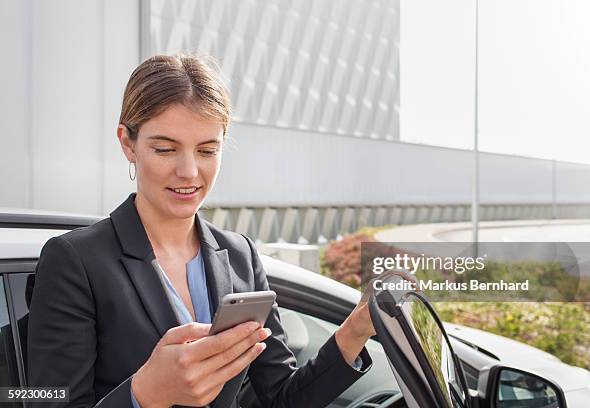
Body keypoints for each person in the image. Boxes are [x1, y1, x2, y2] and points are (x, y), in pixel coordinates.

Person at [27, 54, 375, 408]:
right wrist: (143, 395)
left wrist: (354, 332)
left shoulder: (240, 255)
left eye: (208, 150)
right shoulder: (76, 261)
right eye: (165, 149)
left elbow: (281, 399)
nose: (189, 171)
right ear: (128, 143)